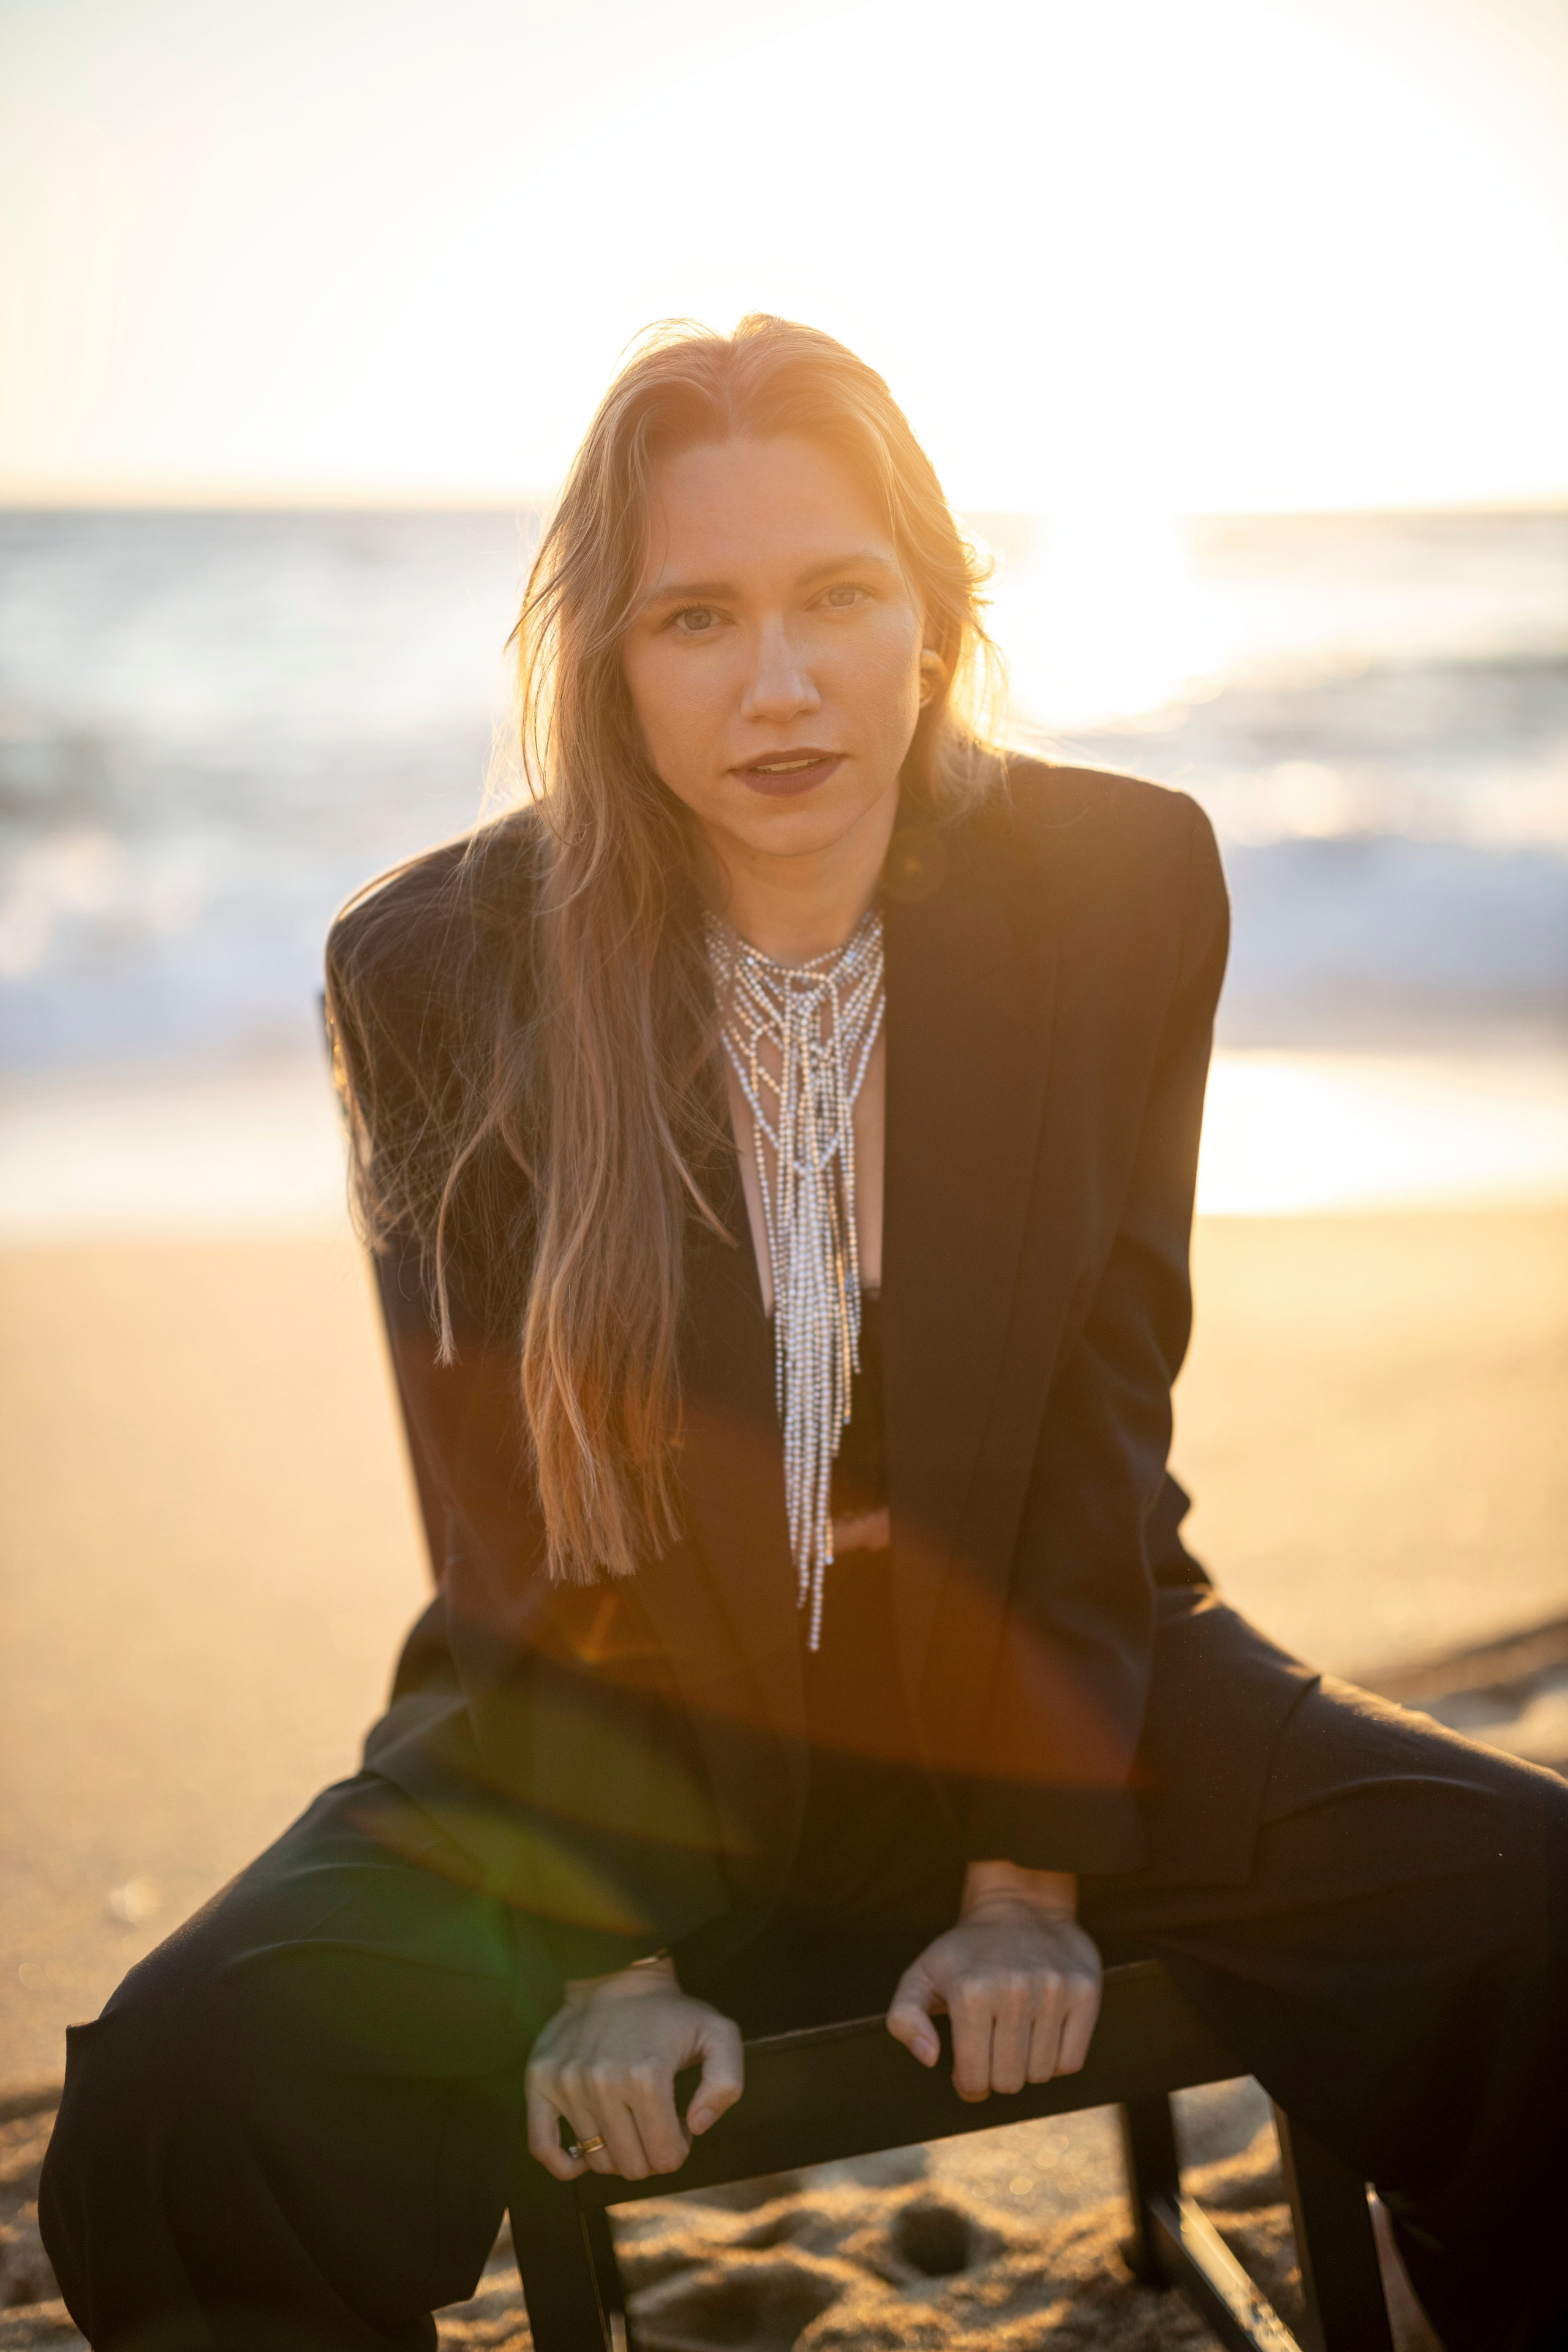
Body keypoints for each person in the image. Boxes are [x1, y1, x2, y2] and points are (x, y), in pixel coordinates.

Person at [39, 316, 1567, 2351]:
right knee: (188, 2093)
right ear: (608, 658)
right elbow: (501, 1522)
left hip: (1049, 1664)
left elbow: (1108, 1412)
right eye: (697, 617)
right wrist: (606, 1945)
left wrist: (1027, 1884)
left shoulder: (1119, 884)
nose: (780, 682)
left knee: (1524, 1906)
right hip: (601, 1724)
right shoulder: (435, 968)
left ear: (936, 613)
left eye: (840, 594)